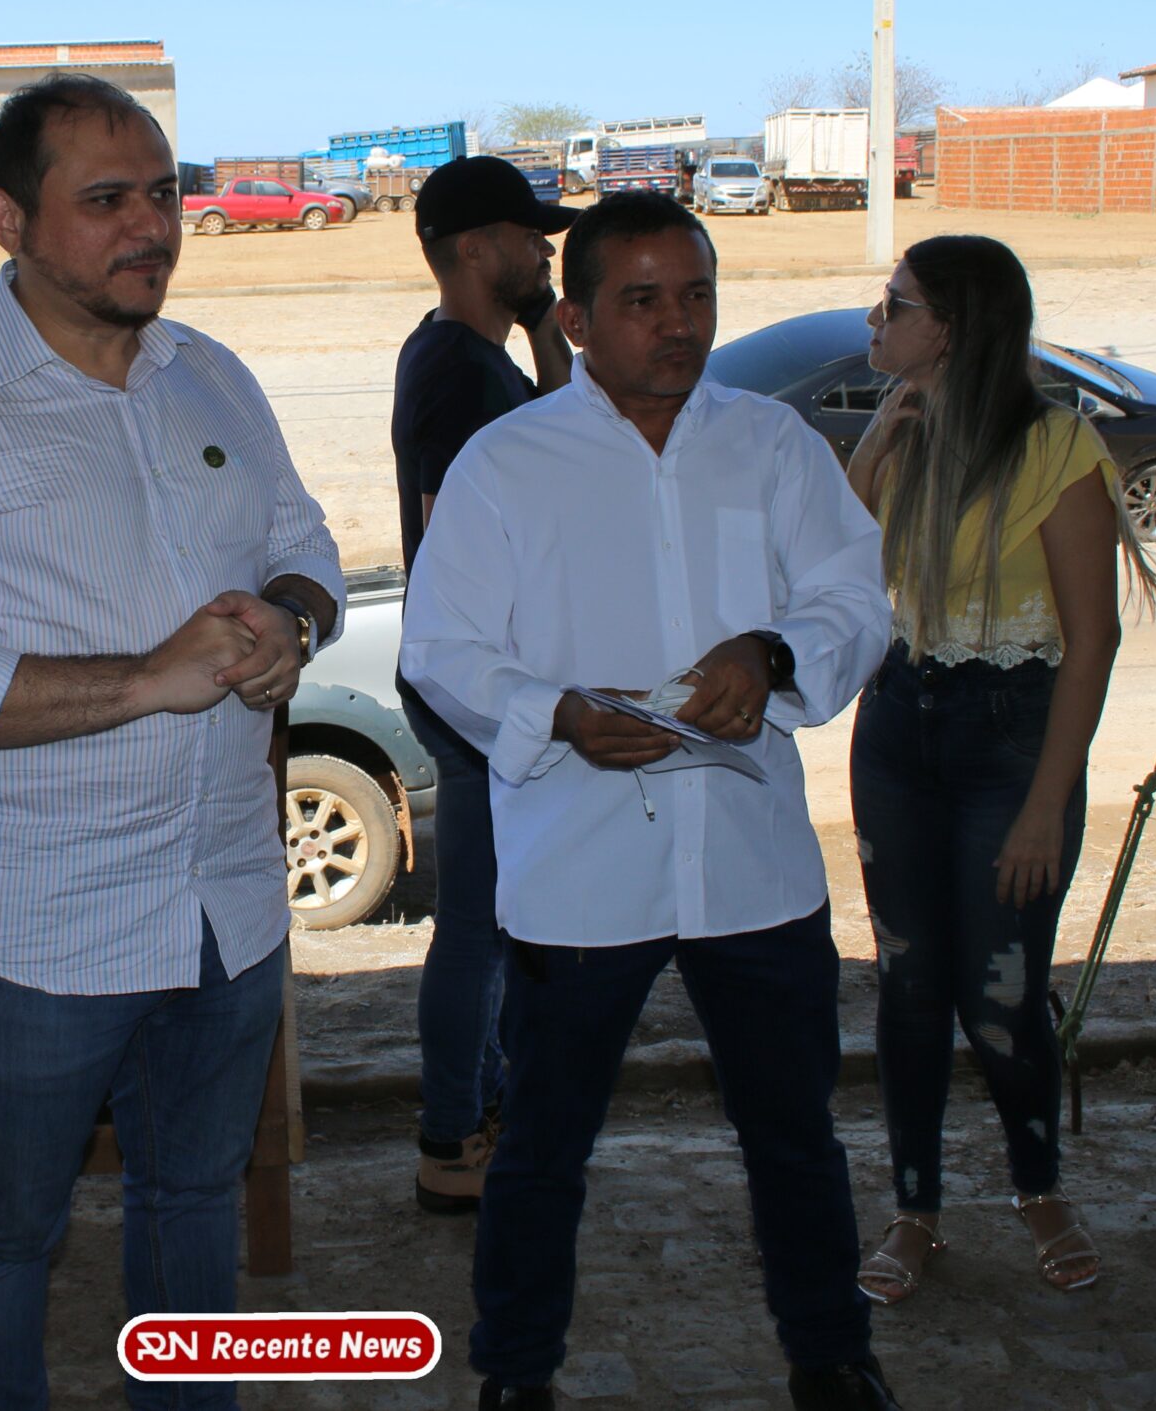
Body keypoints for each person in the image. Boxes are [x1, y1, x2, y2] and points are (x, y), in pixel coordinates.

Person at [0, 73, 344, 1411]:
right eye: (106, 199)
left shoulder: (208, 374)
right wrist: (146, 681)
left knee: (195, 1202)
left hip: (228, 903)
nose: (152, 226)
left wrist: (291, 620)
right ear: (8, 219)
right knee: (7, 1231)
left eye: (162, 193)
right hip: (36, 931)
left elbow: (302, 545)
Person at [402, 192, 902, 1411]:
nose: (677, 324)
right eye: (641, 301)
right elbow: (441, 647)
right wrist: (556, 714)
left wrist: (772, 654)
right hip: (580, 865)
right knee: (542, 1146)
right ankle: (516, 1373)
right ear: (575, 320)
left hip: (748, 863)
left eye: (695, 296)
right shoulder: (507, 464)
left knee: (794, 1135)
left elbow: (854, 597)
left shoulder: (771, 445)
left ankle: (831, 1359)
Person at [841, 234, 1156, 1306]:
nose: (875, 320)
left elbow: (1092, 639)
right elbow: (832, 578)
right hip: (899, 723)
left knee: (1001, 990)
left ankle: (1039, 1190)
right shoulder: (905, 432)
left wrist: (1043, 806)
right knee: (908, 985)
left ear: (952, 327)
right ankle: (915, 1210)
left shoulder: (1056, 445)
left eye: (895, 304)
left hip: (1010, 739)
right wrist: (874, 450)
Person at [391, 155, 578, 1214]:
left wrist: (546, 323)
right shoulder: (459, 374)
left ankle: (477, 1111)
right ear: (474, 249)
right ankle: (451, 1138)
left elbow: (556, 439)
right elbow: (466, 522)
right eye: (527, 235)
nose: (545, 249)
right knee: (476, 924)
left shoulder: (468, 356)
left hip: (482, 676)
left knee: (495, 918)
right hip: (474, 684)